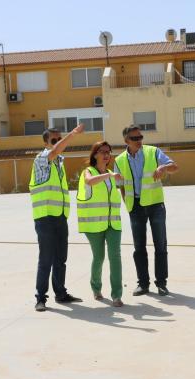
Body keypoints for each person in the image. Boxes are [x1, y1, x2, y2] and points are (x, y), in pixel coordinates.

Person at [114, 124, 178, 296]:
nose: (139, 141)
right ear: (126, 140)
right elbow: (120, 185)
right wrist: (128, 205)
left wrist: (163, 167)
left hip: (155, 205)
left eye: (141, 137)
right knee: (139, 247)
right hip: (135, 207)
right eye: (135, 138)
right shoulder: (119, 160)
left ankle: (161, 283)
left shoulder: (153, 152)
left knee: (160, 245)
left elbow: (174, 166)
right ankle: (143, 284)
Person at [30, 125, 84, 312]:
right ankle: (40, 298)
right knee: (46, 259)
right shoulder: (41, 159)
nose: (59, 142)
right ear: (46, 143)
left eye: (60, 139)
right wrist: (73, 134)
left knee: (60, 259)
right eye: (55, 140)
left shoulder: (60, 163)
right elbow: (54, 151)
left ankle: (60, 293)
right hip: (45, 218)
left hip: (60, 217)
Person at [76, 141, 124, 307]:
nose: (106, 154)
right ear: (95, 154)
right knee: (99, 257)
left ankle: (117, 295)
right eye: (102, 151)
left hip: (113, 224)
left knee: (115, 257)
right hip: (94, 225)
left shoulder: (111, 174)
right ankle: (96, 288)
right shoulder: (88, 172)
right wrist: (110, 176)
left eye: (108, 152)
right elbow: (90, 182)